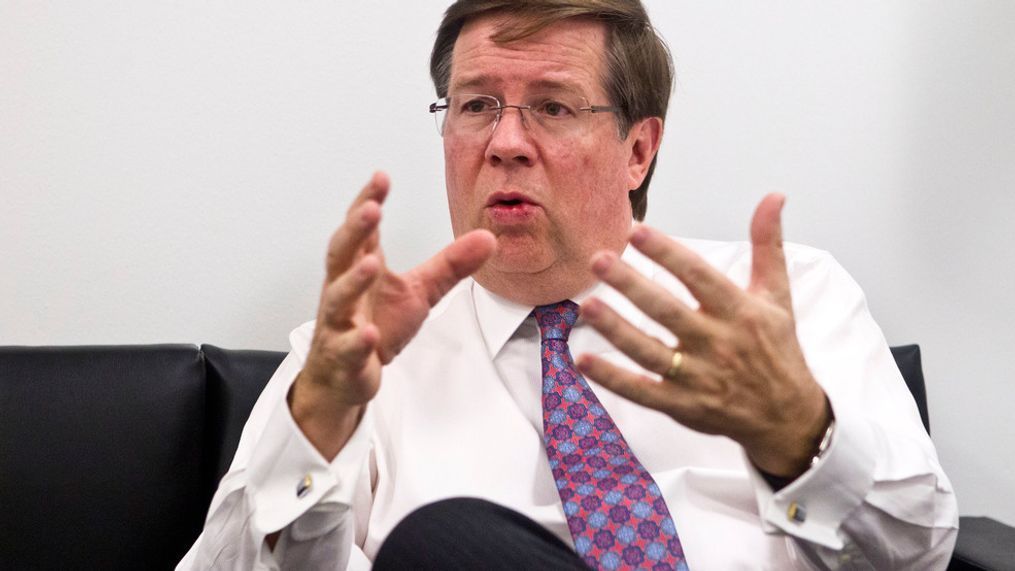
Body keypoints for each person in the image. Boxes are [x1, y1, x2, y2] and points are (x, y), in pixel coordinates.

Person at [179, 1, 958, 569]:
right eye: (476, 105)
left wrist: (798, 436)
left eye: (551, 107)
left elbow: (918, 550)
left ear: (637, 150)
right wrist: (315, 422)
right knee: (447, 546)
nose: (504, 143)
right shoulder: (357, 359)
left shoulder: (781, 304)